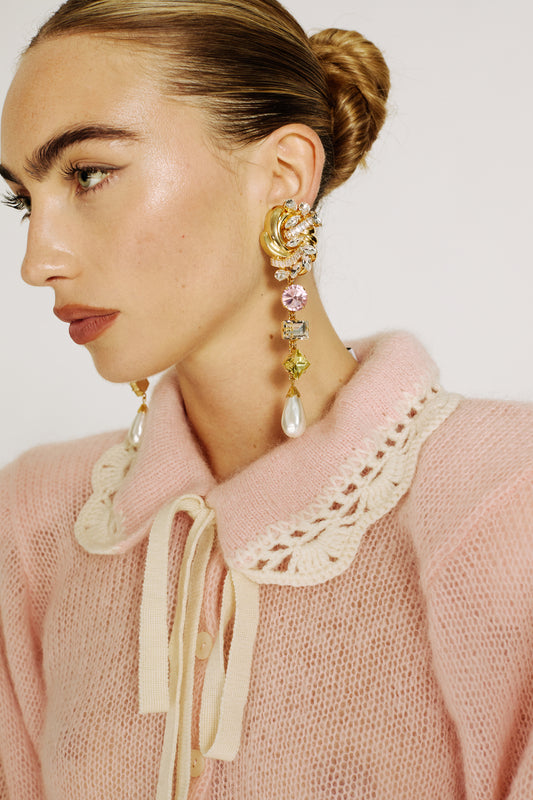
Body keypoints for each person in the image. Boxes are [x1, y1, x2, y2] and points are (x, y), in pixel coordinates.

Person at [1, 0, 532, 798]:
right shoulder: (34, 523)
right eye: (22, 199)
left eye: (88, 174)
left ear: (283, 174)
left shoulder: (505, 502)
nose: (37, 260)